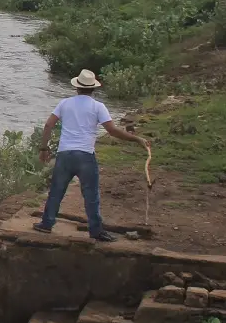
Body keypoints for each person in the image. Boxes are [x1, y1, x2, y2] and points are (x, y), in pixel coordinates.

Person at [33, 69, 149, 242]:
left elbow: (49, 125)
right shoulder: (98, 107)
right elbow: (112, 130)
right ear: (93, 89)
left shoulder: (65, 103)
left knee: (56, 191)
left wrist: (44, 148)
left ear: (77, 88)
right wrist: (136, 139)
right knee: (91, 195)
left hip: (65, 154)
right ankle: (96, 231)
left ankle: (46, 224)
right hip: (85, 155)